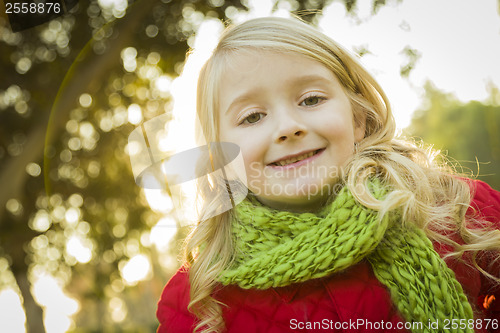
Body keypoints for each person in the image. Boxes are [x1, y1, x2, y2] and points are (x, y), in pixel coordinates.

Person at [156, 17, 500, 333]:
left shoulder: (463, 212)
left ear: (358, 119)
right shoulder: (197, 303)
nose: (288, 128)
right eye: (252, 117)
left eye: (310, 100)